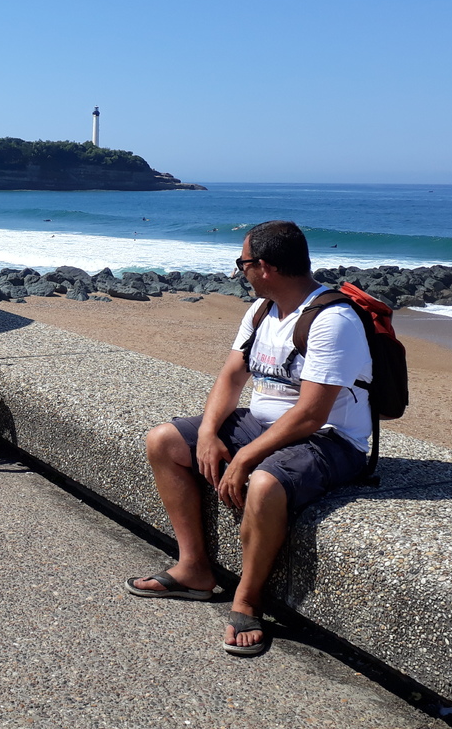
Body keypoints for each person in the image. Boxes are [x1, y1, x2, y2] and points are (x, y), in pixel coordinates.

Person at [125, 220, 372, 656]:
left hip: (331, 440)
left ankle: (248, 599)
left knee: (263, 484)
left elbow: (311, 414)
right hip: (263, 423)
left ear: (265, 267)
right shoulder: (261, 310)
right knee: (164, 441)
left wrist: (243, 459)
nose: (240, 272)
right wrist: (207, 433)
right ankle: (194, 569)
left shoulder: (332, 320)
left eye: (243, 264)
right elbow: (231, 376)